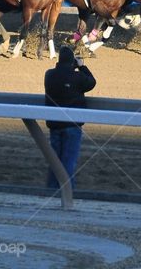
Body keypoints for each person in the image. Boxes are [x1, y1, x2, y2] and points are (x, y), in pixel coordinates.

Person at [44, 45, 96, 191]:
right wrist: (82, 67)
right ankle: (67, 193)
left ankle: (51, 191)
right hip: (72, 125)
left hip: (54, 125)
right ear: (72, 62)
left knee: (55, 162)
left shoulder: (49, 75)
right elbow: (91, 82)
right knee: (68, 162)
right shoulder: (78, 77)